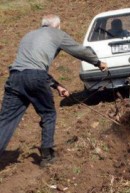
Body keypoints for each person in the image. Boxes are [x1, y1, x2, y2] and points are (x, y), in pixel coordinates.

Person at [0, 14, 108, 167]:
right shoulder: (56, 33)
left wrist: (57, 86)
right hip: (35, 76)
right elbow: (79, 50)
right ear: (57, 26)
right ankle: (47, 156)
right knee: (48, 113)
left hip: (15, 78)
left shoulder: (29, 35)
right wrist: (97, 62)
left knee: (5, 120)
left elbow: (31, 67)